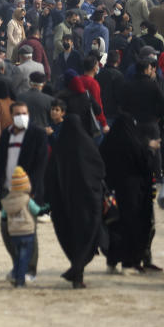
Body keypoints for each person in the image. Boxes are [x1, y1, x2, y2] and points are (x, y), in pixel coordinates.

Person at [46, 111, 105, 288]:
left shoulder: (59, 149)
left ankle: (76, 269)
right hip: (88, 203)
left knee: (70, 236)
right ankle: (77, 270)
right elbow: (100, 171)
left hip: (64, 205)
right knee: (87, 235)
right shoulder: (88, 146)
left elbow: (50, 176)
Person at [0, 102, 47, 281]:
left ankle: (29, 270)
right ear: (11, 116)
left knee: (27, 231)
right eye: (17, 113)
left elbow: (41, 165)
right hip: (7, 191)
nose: (21, 116)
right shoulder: (6, 135)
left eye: (24, 113)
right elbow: (1, 161)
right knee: (6, 230)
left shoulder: (37, 134)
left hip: (27, 193)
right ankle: (19, 265)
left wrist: (31, 190)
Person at [0, 167, 41, 288]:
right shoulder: (27, 200)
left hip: (13, 234)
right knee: (25, 256)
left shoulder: (7, 201)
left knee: (17, 256)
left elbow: (3, 217)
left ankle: (15, 274)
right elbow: (36, 211)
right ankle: (21, 279)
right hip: (27, 233)